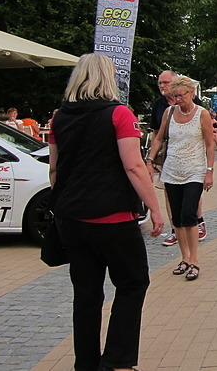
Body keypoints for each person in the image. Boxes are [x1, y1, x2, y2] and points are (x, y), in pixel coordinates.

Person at [48, 53, 165, 371]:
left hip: (71, 218)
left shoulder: (58, 118)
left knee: (85, 293)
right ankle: (116, 360)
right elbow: (133, 166)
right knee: (132, 283)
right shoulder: (119, 114)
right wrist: (155, 209)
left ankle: (85, 363)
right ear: (108, 78)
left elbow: (55, 171)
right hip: (112, 217)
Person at [146, 76, 215, 282]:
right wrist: (150, 160)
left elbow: (210, 144)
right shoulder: (169, 112)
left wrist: (209, 171)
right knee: (176, 219)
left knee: (188, 215)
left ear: (191, 93)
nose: (177, 100)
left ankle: (194, 260)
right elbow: (158, 137)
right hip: (172, 170)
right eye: (174, 96)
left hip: (194, 170)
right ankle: (184, 257)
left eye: (181, 95)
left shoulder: (202, 114)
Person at [150, 70, 207, 246]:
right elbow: (156, 133)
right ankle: (176, 230)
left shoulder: (196, 105)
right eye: (160, 83)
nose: (162, 86)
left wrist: (209, 169)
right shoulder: (160, 106)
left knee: (190, 201)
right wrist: (152, 158)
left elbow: (208, 138)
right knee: (171, 197)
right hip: (169, 158)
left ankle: (197, 221)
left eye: (165, 82)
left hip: (193, 162)